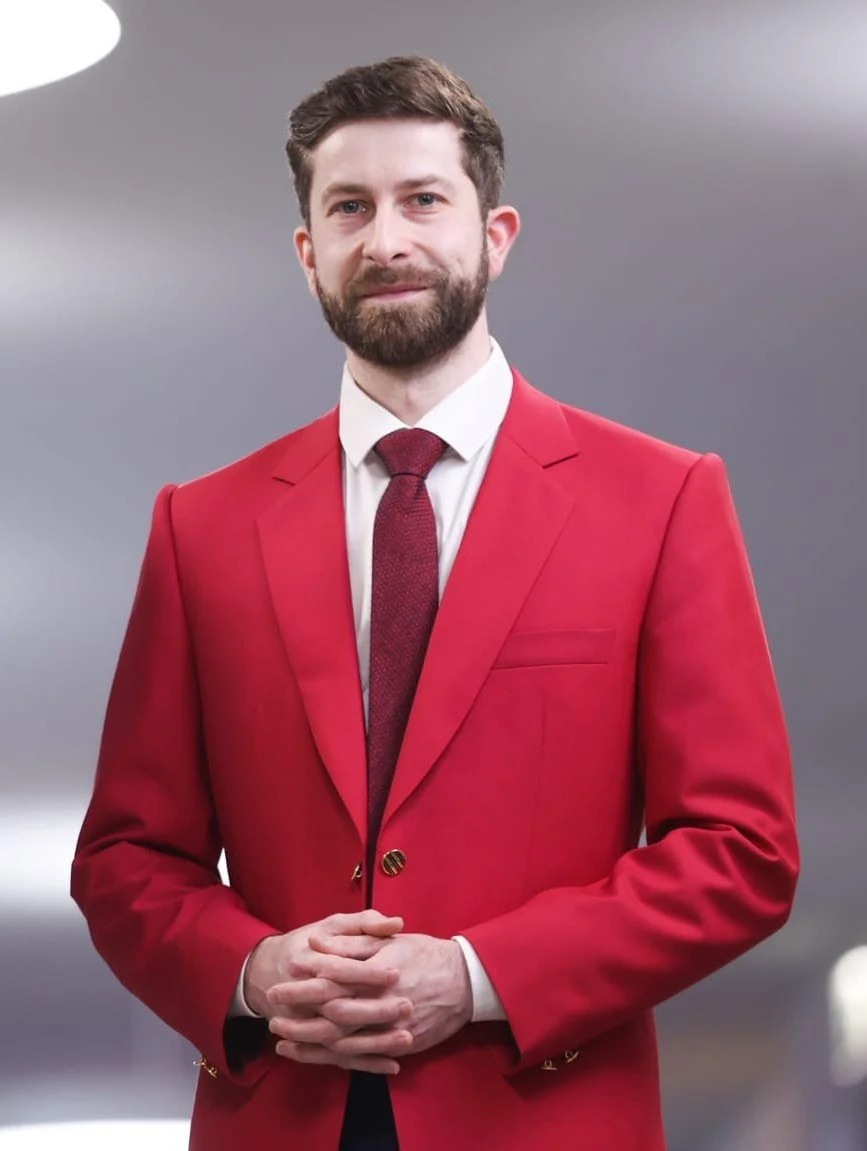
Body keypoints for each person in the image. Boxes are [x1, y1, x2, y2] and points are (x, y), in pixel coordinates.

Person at [71, 54, 799, 1151]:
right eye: (350, 207)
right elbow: (126, 856)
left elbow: (743, 846)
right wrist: (254, 971)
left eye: (423, 200)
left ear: (495, 235)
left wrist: (478, 975)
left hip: (545, 1112)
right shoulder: (201, 526)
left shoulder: (661, 499)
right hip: (284, 1110)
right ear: (309, 254)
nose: (388, 239)